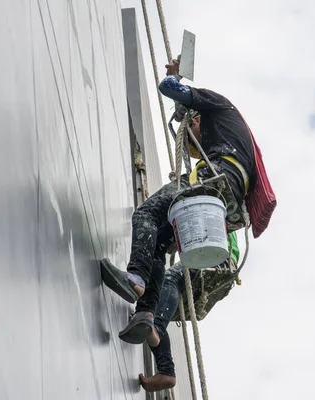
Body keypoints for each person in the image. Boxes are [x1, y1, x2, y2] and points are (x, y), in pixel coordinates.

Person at [100, 58, 256, 344]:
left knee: (145, 214)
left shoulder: (218, 105)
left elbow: (168, 88)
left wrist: (174, 78)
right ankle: (146, 313)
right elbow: (194, 138)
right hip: (228, 202)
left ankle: (135, 278)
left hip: (212, 181)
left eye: (191, 122)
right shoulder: (229, 134)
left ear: (197, 118)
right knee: (159, 242)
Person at [139, 232, 240, 392]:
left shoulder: (215, 211)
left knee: (169, 280)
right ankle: (166, 371)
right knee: (158, 304)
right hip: (218, 260)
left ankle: (156, 328)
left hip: (217, 258)